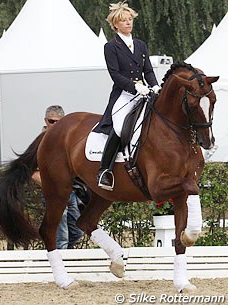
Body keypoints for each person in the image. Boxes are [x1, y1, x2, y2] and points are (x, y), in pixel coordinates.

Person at [94, 1, 161, 191]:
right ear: (116, 24)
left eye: (130, 19)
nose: (128, 23)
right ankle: (104, 170)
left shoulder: (140, 45)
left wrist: (155, 86)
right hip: (123, 94)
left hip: (144, 92)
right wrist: (134, 87)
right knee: (119, 125)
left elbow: (148, 70)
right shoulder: (111, 47)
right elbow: (115, 75)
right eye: (124, 21)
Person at [32, 105, 84, 249]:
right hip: (54, 195)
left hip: (71, 194)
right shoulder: (40, 143)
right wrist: (52, 188)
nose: (55, 125)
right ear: (45, 120)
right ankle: (60, 265)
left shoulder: (66, 139)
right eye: (51, 121)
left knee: (78, 232)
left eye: (59, 122)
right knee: (62, 236)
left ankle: (59, 259)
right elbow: (33, 172)